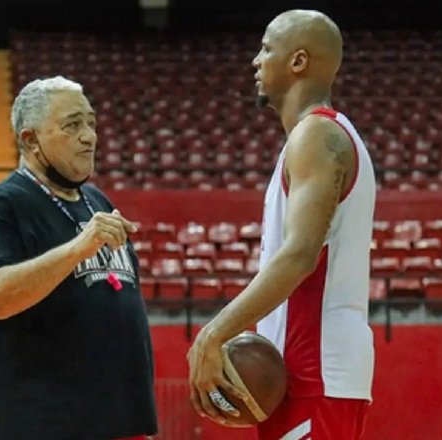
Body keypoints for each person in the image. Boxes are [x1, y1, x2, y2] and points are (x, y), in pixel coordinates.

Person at [187, 9, 376, 440]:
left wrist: (215, 333)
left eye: (266, 48)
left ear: (298, 62)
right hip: (308, 372)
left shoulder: (316, 136)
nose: (256, 60)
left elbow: (299, 255)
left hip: (315, 368)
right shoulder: (314, 137)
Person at [0, 76, 156, 440]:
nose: (89, 136)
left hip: (117, 423)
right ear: (30, 139)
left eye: (91, 123)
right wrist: (77, 249)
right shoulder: (5, 204)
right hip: (40, 425)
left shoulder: (97, 201)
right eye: (73, 125)